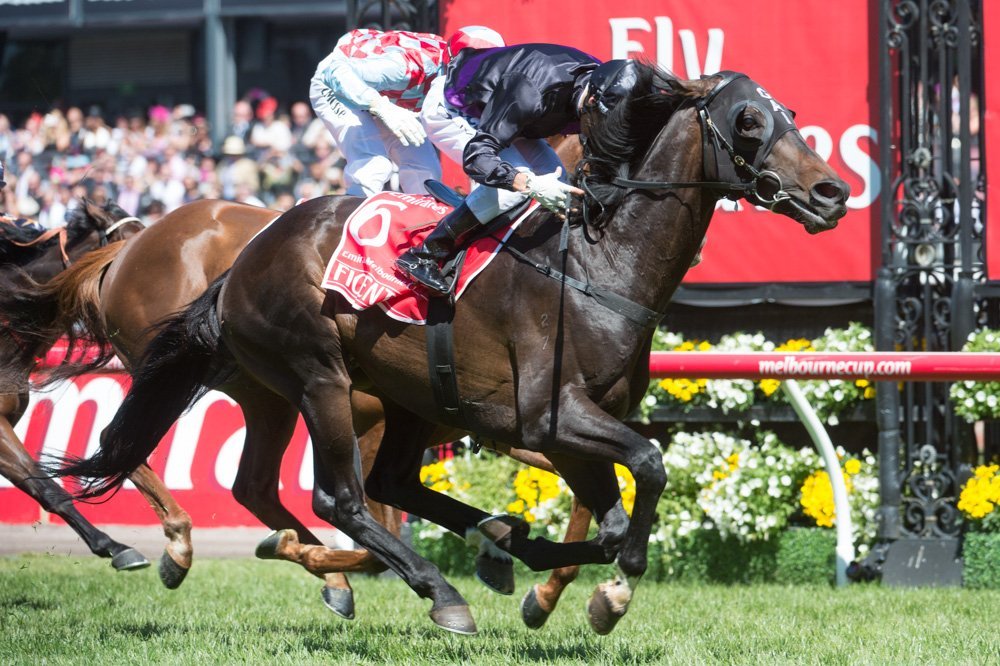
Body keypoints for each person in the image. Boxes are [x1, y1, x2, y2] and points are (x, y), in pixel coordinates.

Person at [396, 46, 640, 294]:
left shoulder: (603, 87)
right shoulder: (532, 92)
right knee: (514, 190)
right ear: (591, 101)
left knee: (561, 183)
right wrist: (528, 183)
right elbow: (477, 157)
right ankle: (425, 254)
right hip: (456, 104)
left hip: (513, 114)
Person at [309, 25, 505, 197]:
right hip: (336, 85)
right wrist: (381, 106)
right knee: (372, 167)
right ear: (455, 63)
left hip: (385, 96)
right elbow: (334, 72)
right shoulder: (407, 65)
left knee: (427, 173)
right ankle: (350, 228)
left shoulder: (453, 70)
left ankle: (421, 230)